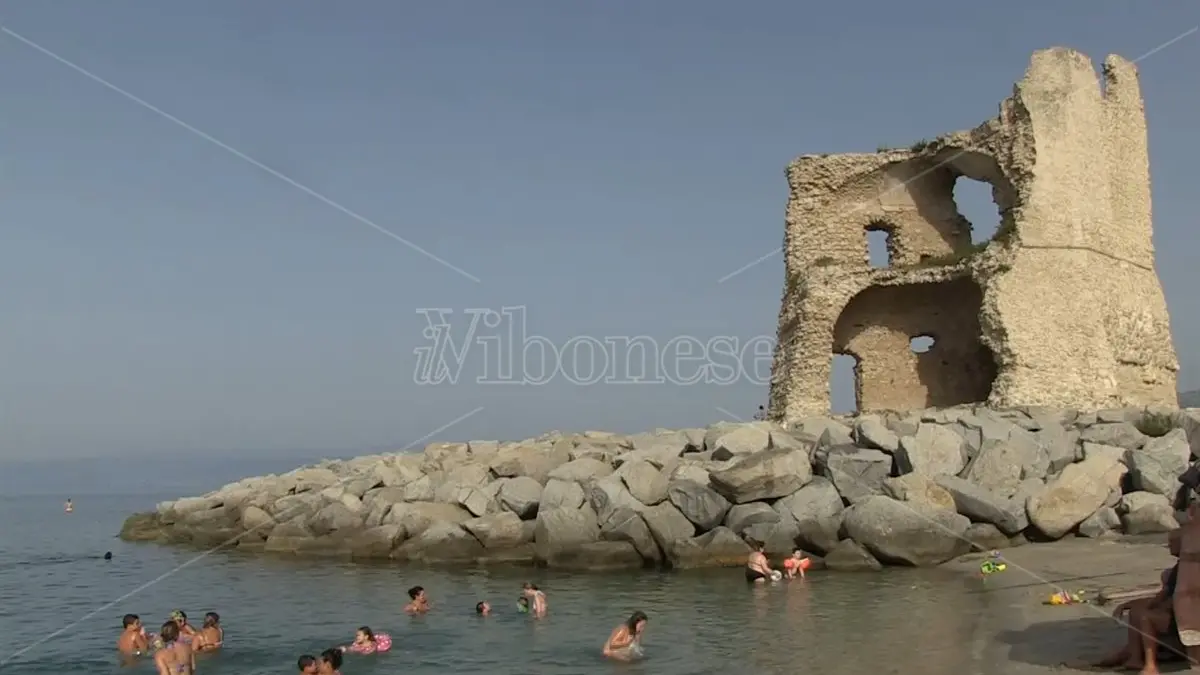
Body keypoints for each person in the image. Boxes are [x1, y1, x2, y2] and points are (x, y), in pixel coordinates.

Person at [1088, 511, 1200, 673]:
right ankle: (1133, 656)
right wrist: (1129, 604)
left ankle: (1150, 664)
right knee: (1137, 611)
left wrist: (1154, 606)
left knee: (1146, 617)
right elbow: (1162, 596)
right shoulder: (1179, 569)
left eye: (1172, 542)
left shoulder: (1185, 571)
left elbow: (1173, 598)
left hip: (1182, 615)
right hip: (1175, 609)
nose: (1169, 546)